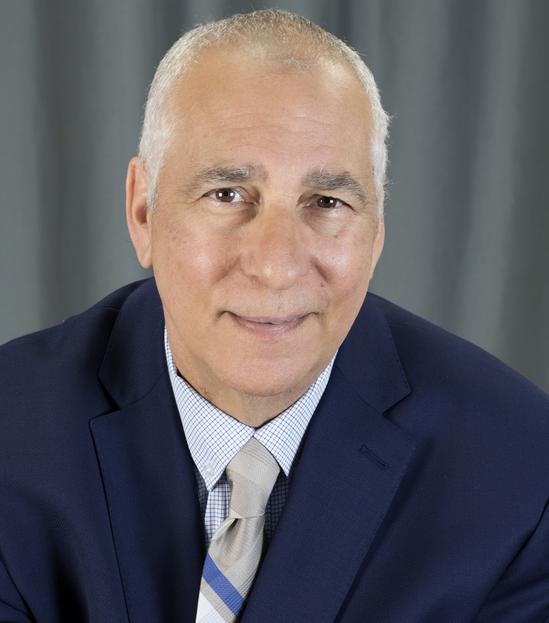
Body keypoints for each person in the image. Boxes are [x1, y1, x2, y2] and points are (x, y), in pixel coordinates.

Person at [1, 8, 548, 623]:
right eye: (227, 194)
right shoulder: (12, 437)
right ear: (143, 213)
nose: (277, 265)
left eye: (327, 201)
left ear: (376, 233)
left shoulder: (521, 473)